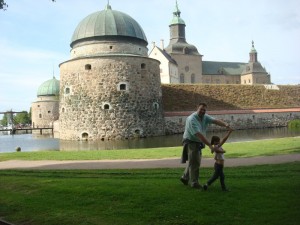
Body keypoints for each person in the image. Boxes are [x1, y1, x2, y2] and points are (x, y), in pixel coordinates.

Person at [180, 103, 231, 189]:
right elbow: (199, 135)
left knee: (194, 160)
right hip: (191, 141)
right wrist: (210, 146)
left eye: (204, 110)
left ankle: (185, 177)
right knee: (195, 162)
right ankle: (194, 183)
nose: (203, 111)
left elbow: (215, 121)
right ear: (197, 108)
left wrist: (225, 125)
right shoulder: (192, 119)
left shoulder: (205, 116)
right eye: (201, 109)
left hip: (197, 141)